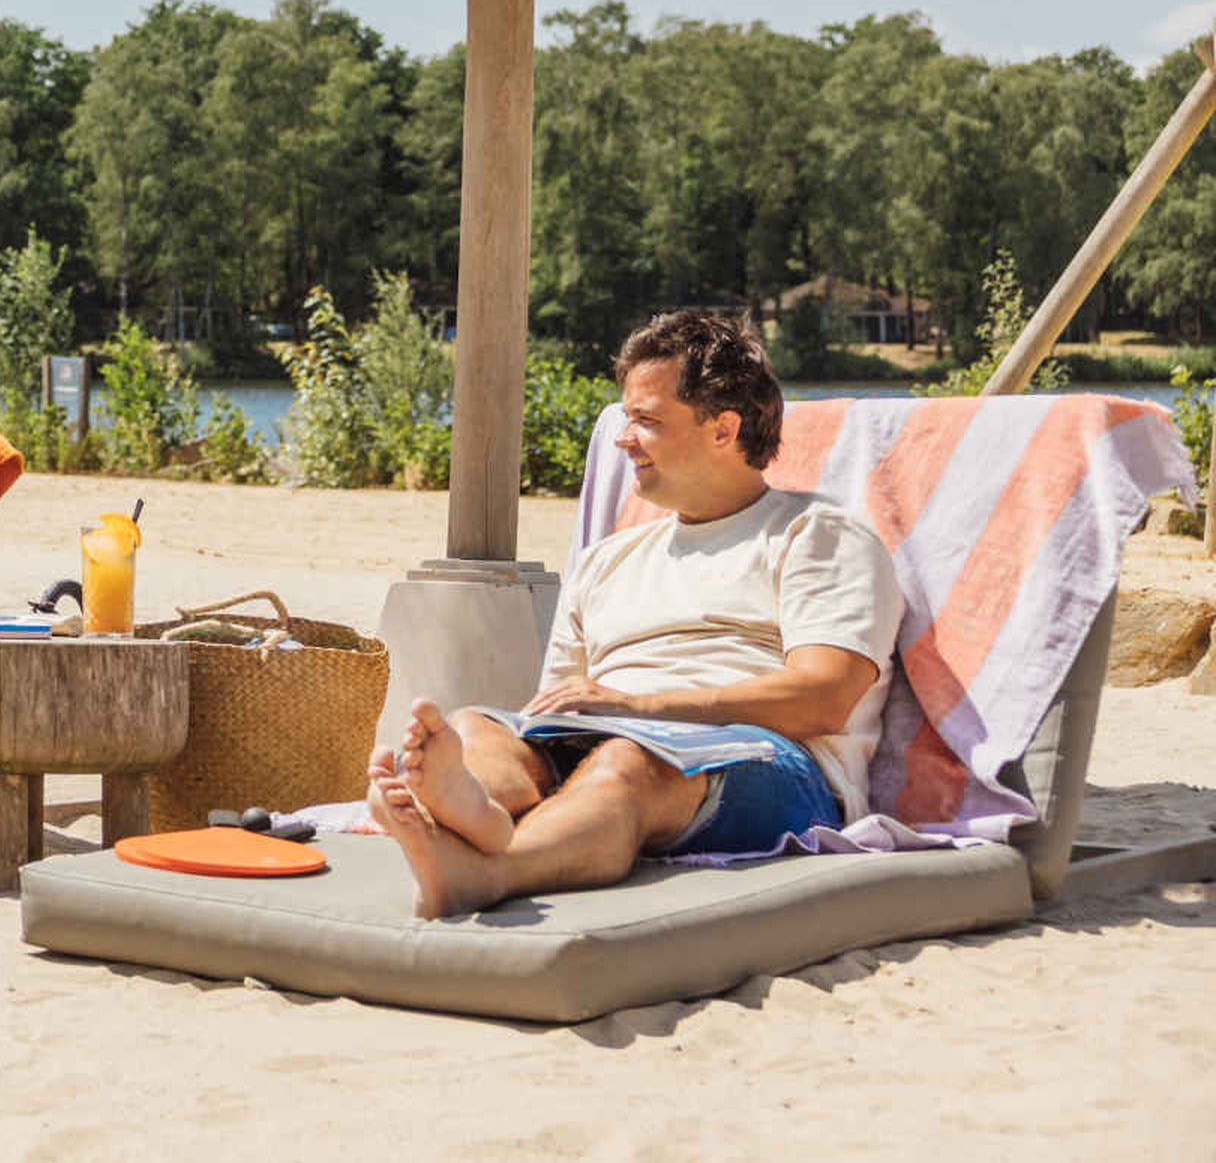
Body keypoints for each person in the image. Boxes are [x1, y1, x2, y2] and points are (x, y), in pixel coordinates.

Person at [372, 309, 900, 918]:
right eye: (627, 418)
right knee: (478, 731)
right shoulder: (607, 562)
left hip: (767, 761)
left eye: (646, 420)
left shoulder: (815, 534)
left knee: (628, 761)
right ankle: (478, 812)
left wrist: (637, 709)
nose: (624, 438)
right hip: (608, 738)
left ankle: (493, 867)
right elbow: (555, 710)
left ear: (724, 429)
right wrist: (573, 726)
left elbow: (824, 697)